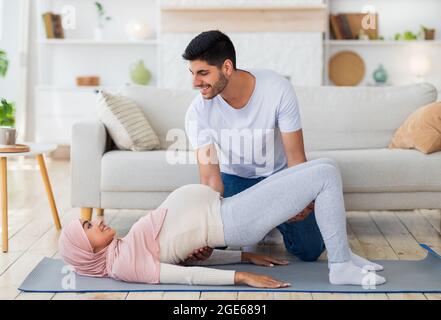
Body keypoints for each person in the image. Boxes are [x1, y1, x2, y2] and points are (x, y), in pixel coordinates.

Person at [59, 158, 386, 288]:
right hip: (232, 220)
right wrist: (242, 276)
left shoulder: (124, 249)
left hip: (230, 210)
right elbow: (183, 275)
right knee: (325, 175)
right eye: (87, 229)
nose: (96, 222)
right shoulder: (124, 265)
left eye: (90, 222)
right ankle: (340, 265)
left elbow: (185, 252)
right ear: (85, 251)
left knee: (326, 166)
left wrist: (246, 256)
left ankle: (345, 256)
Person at [184, 30, 324, 258]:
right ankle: (264, 222)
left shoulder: (278, 89)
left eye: (202, 73)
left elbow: (296, 158)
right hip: (234, 180)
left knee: (310, 250)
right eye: (192, 73)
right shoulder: (197, 112)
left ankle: (265, 223)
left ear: (227, 68)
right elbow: (209, 179)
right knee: (210, 244)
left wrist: (301, 197)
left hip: (277, 178)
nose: (195, 83)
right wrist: (206, 229)